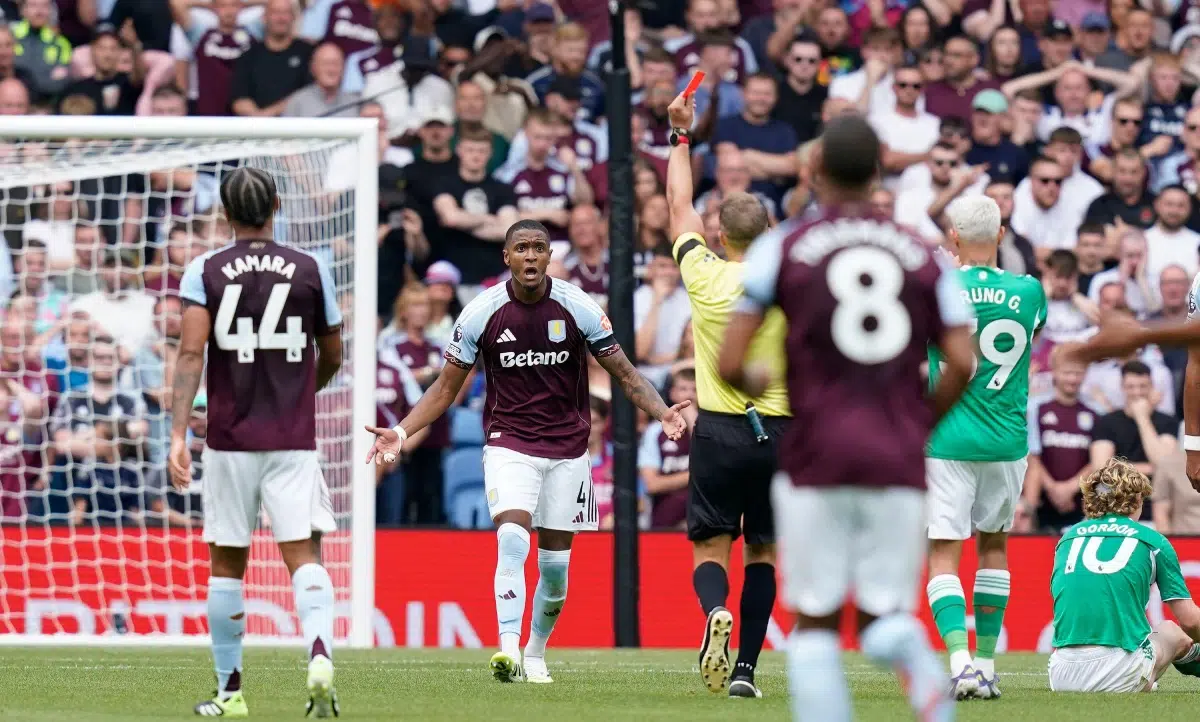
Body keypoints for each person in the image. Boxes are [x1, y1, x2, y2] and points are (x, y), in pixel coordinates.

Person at [717, 114, 975, 722]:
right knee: (886, 615)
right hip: (897, 455)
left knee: (816, 621)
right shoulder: (924, 253)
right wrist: (918, 424)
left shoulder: (782, 246)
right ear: (879, 171)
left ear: (815, 171)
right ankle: (918, 667)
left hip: (814, 454)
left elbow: (731, 361)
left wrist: (759, 378)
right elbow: (962, 362)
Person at [363, 220, 690, 685]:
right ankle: (508, 649)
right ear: (507, 258)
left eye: (539, 247)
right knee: (512, 539)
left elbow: (626, 374)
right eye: (522, 248)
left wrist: (663, 413)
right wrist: (400, 429)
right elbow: (444, 389)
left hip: (568, 449)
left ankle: (535, 652)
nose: (531, 256)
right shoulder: (482, 311)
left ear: (549, 255)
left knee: (555, 573)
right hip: (508, 443)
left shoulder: (578, 307)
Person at [171, 167, 344, 718]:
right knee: (304, 555)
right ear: (275, 204)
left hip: (228, 439)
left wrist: (178, 430)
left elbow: (191, 354)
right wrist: (301, 391)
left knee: (227, 562)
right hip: (292, 439)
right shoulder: (311, 268)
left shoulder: (205, 269)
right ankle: (318, 656)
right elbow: (333, 350)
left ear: (224, 212)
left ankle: (231, 692)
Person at [663, 87, 788, 699]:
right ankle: (745, 671)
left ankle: (715, 611)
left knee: (711, 544)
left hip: (718, 426)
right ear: (768, 235)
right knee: (763, 553)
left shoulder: (703, 273)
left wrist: (681, 136)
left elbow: (677, 202)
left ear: (720, 235)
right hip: (781, 430)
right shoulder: (789, 282)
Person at [924, 195, 1047, 700]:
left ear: (954, 237)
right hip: (1007, 439)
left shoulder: (938, 289)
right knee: (994, 546)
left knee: (943, 556)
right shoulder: (1031, 289)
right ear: (1001, 235)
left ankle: (960, 664)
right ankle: (987, 664)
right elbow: (1029, 337)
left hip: (948, 438)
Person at [1048, 458, 1200, 693]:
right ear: (1137, 500)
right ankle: (1150, 675)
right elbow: (1191, 621)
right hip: (1119, 672)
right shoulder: (1152, 540)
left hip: (1061, 674)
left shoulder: (1067, 539)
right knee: (1171, 631)